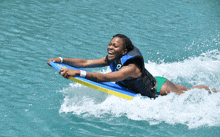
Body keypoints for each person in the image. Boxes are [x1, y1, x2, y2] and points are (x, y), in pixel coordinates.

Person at [47, 34, 218, 98]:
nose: (110, 47)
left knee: (189, 94)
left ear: (124, 51)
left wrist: (78, 73)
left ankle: (214, 91)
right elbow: (86, 62)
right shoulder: (112, 58)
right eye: (109, 44)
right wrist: (61, 60)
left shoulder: (130, 68)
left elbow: (106, 77)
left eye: (115, 46)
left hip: (159, 89)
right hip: (151, 81)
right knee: (187, 88)